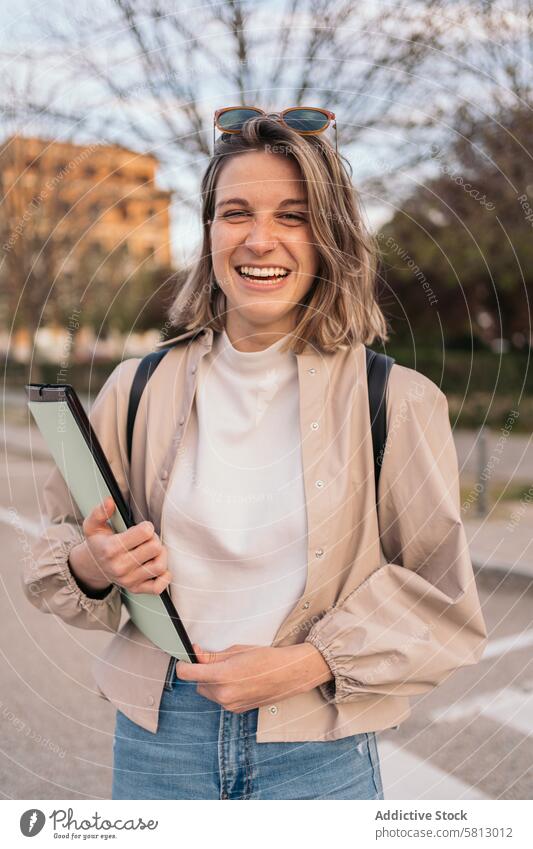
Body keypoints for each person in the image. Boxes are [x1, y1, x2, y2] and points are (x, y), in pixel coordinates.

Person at [23, 109, 488, 801]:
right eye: (235, 212)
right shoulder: (136, 386)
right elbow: (58, 549)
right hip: (160, 740)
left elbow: (443, 600)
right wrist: (95, 563)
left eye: (293, 215)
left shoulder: (396, 398)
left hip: (316, 747)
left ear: (330, 237)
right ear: (209, 232)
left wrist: (309, 662)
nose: (259, 239)